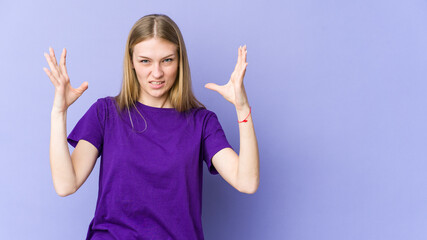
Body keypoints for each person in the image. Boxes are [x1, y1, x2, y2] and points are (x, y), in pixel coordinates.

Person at [44, 14, 259, 240]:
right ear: (132, 63)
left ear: (180, 61)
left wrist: (243, 108)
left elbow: (246, 181)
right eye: (145, 61)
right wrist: (59, 113)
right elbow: (65, 184)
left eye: (167, 60)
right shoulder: (106, 113)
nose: (156, 73)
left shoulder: (202, 122)